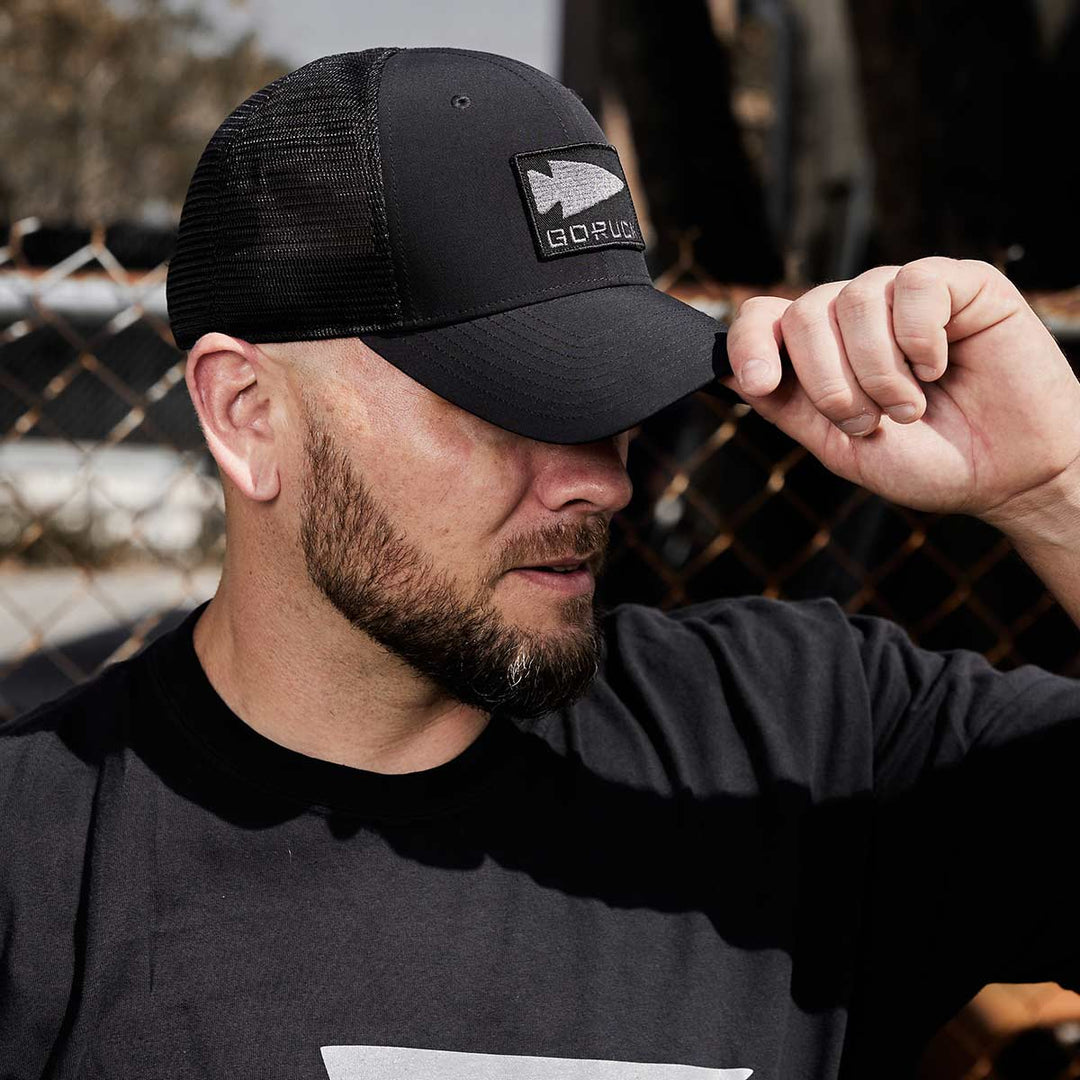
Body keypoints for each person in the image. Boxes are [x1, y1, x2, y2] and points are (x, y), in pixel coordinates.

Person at [1, 47, 1077, 1080]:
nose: (603, 482)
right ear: (247, 414)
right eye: (506, 404)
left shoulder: (810, 741)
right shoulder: (37, 866)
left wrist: (1057, 489)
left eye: (609, 399)